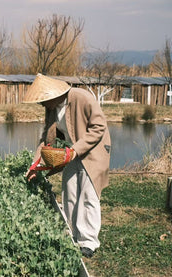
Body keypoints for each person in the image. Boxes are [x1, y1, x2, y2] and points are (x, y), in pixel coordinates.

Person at [25, 73, 111, 258]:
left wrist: (75, 150)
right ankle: (73, 235)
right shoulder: (52, 109)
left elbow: (99, 126)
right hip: (72, 152)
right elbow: (45, 140)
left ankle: (88, 242)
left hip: (93, 150)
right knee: (70, 191)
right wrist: (35, 165)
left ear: (52, 95)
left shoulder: (82, 97)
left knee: (89, 195)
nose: (41, 105)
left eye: (42, 101)